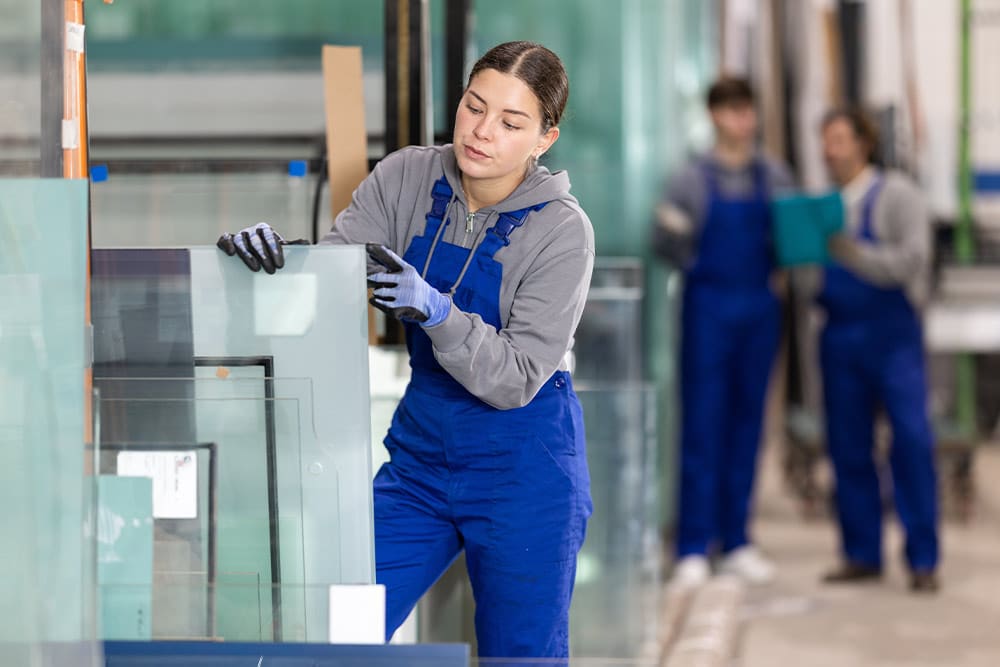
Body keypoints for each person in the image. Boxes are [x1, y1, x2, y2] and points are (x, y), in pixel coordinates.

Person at [218, 41, 594, 658]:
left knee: (519, 654)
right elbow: (332, 284)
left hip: (525, 470)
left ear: (544, 139)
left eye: (511, 122)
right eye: (474, 107)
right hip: (421, 463)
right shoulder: (406, 177)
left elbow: (517, 378)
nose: (482, 132)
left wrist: (439, 312)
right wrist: (274, 259)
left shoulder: (562, 232)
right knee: (334, 630)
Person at [651, 77, 794, 588]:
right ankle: (692, 545)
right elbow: (663, 243)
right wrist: (674, 235)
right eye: (733, 111)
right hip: (708, 309)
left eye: (748, 111)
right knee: (703, 426)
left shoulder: (775, 176)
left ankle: (736, 540)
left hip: (759, 309)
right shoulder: (689, 179)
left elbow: (794, 243)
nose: (743, 121)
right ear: (714, 116)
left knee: (747, 424)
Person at [810, 108, 939, 592]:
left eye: (839, 139)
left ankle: (923, 559)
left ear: (864, 143)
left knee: (911, 442)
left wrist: (853, 253)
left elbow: (912, 260)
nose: (830, 149)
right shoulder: (819, 205)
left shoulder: (898, 194)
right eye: (825, 140)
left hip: (893, 338)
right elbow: (811, 274)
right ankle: (861, 552)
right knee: (848, 448)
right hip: (839, 336)